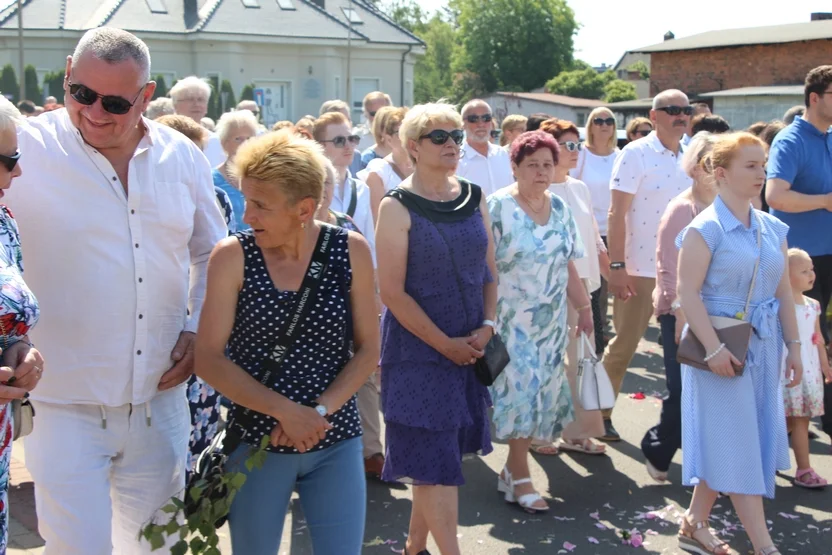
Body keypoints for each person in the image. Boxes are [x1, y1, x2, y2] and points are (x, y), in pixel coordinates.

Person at [9, 28, 227, 554]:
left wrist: (200, 329)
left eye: (114, 102)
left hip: (159, 402)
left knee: (158, 548)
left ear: (147, 96)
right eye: (80, 94)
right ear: (66, 73)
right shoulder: (24, 147)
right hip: (62, 404)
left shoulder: (181, 156)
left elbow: (213, 255)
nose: (94, 113)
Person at [195, 131, 379, 555]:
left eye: (260, 205)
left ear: (305, 209)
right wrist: (285, 412)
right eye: (246, 201)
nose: (247, 216)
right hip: (256, 442)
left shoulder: (350, 250)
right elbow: (208, 358)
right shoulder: (232, 256)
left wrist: (316, 413)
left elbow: (369, 349)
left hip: (336, 438)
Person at [376, 102, 496, 555]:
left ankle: (413, 548)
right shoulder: (396, 207)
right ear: (412, 146)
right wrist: (444, 345)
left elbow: (489, 272)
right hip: (419, 354)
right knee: (435, 464)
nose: (453, 144)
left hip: (469, 347)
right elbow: (392, 293)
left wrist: (487, 325)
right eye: (440, 137)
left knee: (438, 458)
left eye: (457, 136)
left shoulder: (474, 195)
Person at [676, 132, 800, 555]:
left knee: (735, 437)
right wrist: (713, 350)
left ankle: (694, 523)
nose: (761, 173)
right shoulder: (704, 228)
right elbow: (687, 294)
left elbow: (784, 291)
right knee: (741, 444)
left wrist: (796, 347)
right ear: (722, 173)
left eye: (763, 165)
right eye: (751, 166)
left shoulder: (772, 226)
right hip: (721, 349)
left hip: (763, 347)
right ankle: (765, 547)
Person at [487, 130, 592, 509]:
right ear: (514, 167)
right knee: (520, 393)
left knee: (541, 394)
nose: (542, 172)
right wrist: (484, 320)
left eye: (548, 164)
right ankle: (521, 476)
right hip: (509, 319)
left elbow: (568, 262)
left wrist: (584, 307)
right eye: (532, 165)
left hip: (549, 322)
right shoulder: (497, 206)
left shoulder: (560, 208)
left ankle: (511, 472)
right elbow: (484, 269)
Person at [602, 89, 693, 441]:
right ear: (654, 117)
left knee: (686, 353)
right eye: (672, 110)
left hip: (684, 270)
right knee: (624, 345)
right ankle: (600, 414)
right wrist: (617, 265)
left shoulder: (691, 157)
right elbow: (616, 214)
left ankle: (683, 427)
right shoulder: (634, 154)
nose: (680, 116)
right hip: (638, 269)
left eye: (686, 110)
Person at [641, 132, 718, 483]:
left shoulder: (729, 207)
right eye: (712, 164)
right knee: (683, 389)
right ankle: (657, 447)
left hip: (720, 312)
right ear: (697, 168)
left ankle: (709, 464)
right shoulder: (681, 210)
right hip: (681, 314)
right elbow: (668, 268)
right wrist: (680, 317)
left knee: (713, 392)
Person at [535, 119, 609, 457]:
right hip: (550, 289)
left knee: (581, 361)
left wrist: (609, 270)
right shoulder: (538, 192)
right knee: (548, 362)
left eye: (577, 145)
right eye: (568, 145)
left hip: (585, 287)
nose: (575, 151)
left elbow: (592, 236)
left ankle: (577, 433)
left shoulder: (579, 188)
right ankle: (539, 432)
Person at [767, 65, 832, 441]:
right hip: (802, 262)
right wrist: (824, 201)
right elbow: (775, 196)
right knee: (810, 341)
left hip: (829, 256)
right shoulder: (790, 141)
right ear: (814, 98)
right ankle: (794, 424)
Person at [0, 96, 45, 555]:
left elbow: (12, 316)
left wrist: (21, 349)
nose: (18, 174)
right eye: (9, 161)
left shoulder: (3, 222)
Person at [573, 107, 619, 355]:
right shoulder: (580, 155)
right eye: (598, 120)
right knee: (593, 289)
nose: (604, 125)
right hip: (588, 231)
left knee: (610, 291)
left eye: (609, 121)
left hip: (616, 231)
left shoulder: (620, 156)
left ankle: (601, 342)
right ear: (590, 125)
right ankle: (591, 343)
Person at [783, 248, 831, 488]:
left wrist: (824, 364)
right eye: (803, 271)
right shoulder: (779, 305)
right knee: (781, 421)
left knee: (800, 421)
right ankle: (773, 463)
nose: (811, 274)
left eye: (811, 268)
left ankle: (803, 469)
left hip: (808, 373)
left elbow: (817, 337)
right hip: (786, 373)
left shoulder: (813, 305)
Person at [313, 112, 376, 258]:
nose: (348, 146)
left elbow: (370, 244)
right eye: (339, 141)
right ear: (321, 146)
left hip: (355, 273)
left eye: (352, 139)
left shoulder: (362, 189)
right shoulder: (311, 190)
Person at [361, 106, 412, 222]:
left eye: (411, 131)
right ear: (388, 139)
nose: (408, 137)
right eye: (401, 133)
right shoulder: (379, 171)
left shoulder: (424, 166)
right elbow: (377, 221)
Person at [213, 109, 260, 231]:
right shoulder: (211, 179)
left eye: (249, 138)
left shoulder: (264, 176)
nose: (244, 144)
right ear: (224, 143)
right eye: (238, 139)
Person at [456, 99, 514, 197]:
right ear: (463, 124)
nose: (481, 124)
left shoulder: (504, 154)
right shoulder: (456, 160)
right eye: (473, 119)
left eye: (486, 118)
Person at [170, 75, 225, 166]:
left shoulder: (215, 141)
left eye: (201, 100)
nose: (196, 104)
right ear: (175, 105)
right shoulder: (166, 138)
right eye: (190, 99)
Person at [319, 99, 365, 176]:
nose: (345, 124)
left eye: (348, 120)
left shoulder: (356, 156)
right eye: (339, 120)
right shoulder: (315, 158)